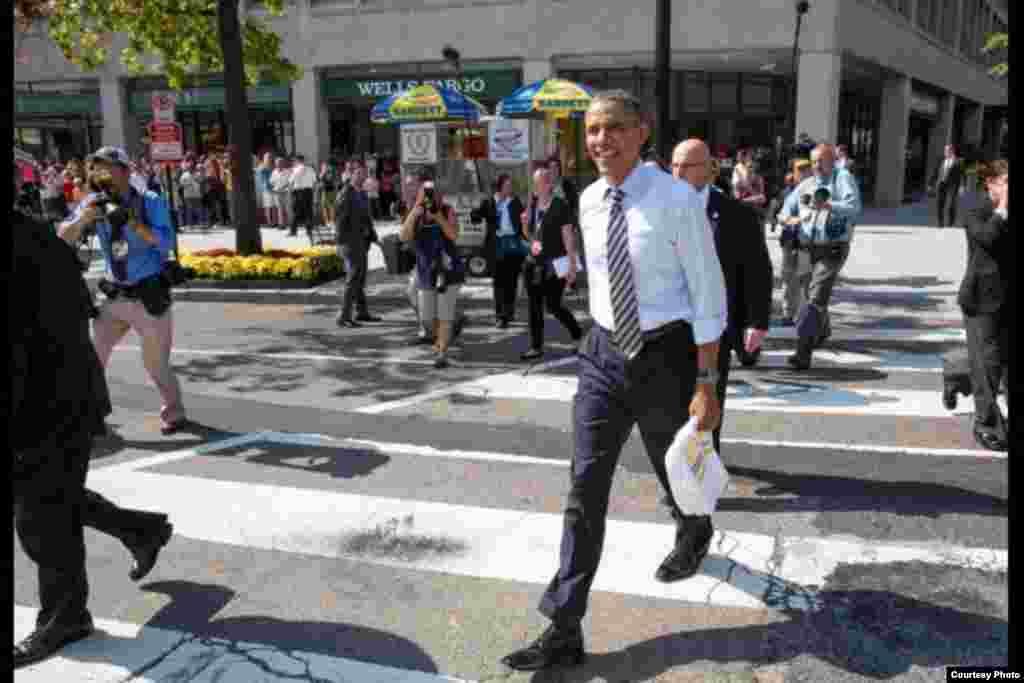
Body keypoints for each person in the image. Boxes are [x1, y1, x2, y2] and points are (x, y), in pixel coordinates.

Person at [502, 91, 727, 672]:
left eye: (613, 129)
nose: (601, 140)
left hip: (666, 355)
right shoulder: (590, 199)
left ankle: (694, 527)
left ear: (641, 132)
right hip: (603, 354)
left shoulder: (678, 200)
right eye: (593, 130)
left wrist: (706, 382)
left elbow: (707, 294)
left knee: (670, 464)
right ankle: (564, 624)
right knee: (585, 487)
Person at [12, 168, 174, 670]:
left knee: (41, 515)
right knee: (49, 497)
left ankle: (66, 616)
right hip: (54, 397)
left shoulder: (26, 242)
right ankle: (140, 531)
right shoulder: (34, 235)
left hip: (51, 402)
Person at [57, 146, 188, 435]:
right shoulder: (94, 201)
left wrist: (132, 222)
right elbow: (62, 237)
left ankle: (175, 412)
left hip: (148, 296)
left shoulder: (149, 201)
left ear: (126, 171)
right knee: (92, 357)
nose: (100, 173)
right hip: (114, 295)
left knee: (155, 364)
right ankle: (90, 414)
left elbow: (165, 242)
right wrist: (83, 219)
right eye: (96, 167)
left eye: (107, 167)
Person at [672, 139, 772, 455]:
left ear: (709, 170)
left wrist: (757, 322)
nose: (677, 173)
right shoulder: (660, 210)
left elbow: (758, 270)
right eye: (673, 165)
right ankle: (678, 463)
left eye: (686, 166)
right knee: (672, 402)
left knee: (709, 396)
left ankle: (704, 463)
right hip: (670, 323)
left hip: (716, 325)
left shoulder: (737, 215)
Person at [777, 143, 863, 370]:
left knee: (814, 299)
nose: (817, 166)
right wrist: (788, 219)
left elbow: (854, 207)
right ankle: (822, 331)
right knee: (813, 295)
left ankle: (802, 352)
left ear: (833, 160)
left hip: (833, 247)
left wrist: (828, 205)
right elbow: (785, 210)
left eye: (822, 161)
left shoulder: (842, 178)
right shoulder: (806, 184)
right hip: (807, 249)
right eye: (814, 161)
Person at [958, 159, 1009, 451]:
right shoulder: (975, 207)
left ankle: (955, 374)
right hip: (982, 298)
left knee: (996, 360)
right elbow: (987, 238)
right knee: (988, 362)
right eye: (1005, 182)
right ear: (991, 183)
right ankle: (986, 423)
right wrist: (1002, 209)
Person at [399, 173, 465, 369]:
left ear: (440, 195)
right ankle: (448, 331)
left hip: (447, 270)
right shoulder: (416, 213)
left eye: (433, 193)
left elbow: (453, 235)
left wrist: (438, 217)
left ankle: (441, 352)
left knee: (444, 314)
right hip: (426, 271)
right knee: (427, 317)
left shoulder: (447, 210)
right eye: (426, 193)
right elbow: (403, 236)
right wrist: (415, 211)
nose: (430, 197)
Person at [520, 167, 583, 361]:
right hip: (533, 263)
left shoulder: (559, 206)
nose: (536, 187)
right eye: (535, 183)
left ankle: (577, 334)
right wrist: (524, 224)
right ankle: (536, 347)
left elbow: (568, 236)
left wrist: (572, 265)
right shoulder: (532, 204)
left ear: (549, 184)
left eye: (539, 183)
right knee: (534, 306)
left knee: (553, 305)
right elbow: (529, 236)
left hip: (555, 264)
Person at [472, 173, 527, 329]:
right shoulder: (489, 202)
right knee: (499, 282)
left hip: (513, 245)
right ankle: (500, 316)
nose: (510, 188)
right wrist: (475, 211)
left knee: (512, 281)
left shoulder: (515, 202)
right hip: (496, 246)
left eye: (511, 185)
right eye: (507, 185)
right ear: (500, 187)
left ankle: (509, 312)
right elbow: (476, 217)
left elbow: (523, 222)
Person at [334, 160, 381, 328]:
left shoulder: (361, 193)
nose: (363, 176)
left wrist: (374, 237)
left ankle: (362, 312)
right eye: (359, 173)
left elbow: (366, 219)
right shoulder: (346, 193)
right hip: (349, 242)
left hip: (361, 242)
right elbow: (339, 220)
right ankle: (344, 316)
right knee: (353, 278)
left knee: (360, 278)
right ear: (351, 174)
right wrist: (341, 244)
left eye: (364, 173)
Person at [777, 159, 814, 324]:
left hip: (806, 243)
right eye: (800, 170)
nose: (803, 173)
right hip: (789, 241)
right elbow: (780, 214)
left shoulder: (816, 191)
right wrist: (786, 219)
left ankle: (806, 314)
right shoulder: (788, 192)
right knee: (788, 277)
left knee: (806, 279)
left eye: (806, 170)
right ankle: (787, 313)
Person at [930, 143, 964, 228]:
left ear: (952, 151)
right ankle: (940, 223)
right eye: (945, 150)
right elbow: (935, 172)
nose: (946, 152)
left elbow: (963, 175)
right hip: (942, 183)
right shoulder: (941, 160)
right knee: (940, 203)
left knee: (952, 204)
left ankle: (950, 223)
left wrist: (962, 186)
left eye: (948, 150)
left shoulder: (959, 161)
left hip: (953, 185)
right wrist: (931, 183)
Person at [289, 154, 318, 243]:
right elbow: (314, 181)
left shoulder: (296, 169)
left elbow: (290, 181)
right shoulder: (310, 169)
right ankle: (309, 231)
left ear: (297, 161)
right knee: (308, 211)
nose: (293, 162)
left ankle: (293, 231)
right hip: (308, 192)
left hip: (299, 192)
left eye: (294, 160)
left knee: (296, 211)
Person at [269, 157, 293, 229]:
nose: (278, 164)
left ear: (283, 163)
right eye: (277, 163)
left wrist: (283, 187)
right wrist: (275, 187)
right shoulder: (274, 172)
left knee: (288, 208)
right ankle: (281, 224)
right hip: (277, 192)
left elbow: (290, 181)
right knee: (279, 209)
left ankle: (291, 223)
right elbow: (271, 181)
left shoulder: (287, 171)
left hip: (285, 192)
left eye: (280, 163)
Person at [319, 159, 340, 229]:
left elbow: (336, 181)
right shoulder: (324, 172)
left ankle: (331, 221)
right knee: (324, 206)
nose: (323, 166)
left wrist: (336, 190)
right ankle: (327, 222)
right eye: (323, 165)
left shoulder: (332, 171)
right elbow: (320, 179)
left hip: (331, 190)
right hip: (324, 190)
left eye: (324, 165)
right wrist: (322, 172)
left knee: (331, 206)